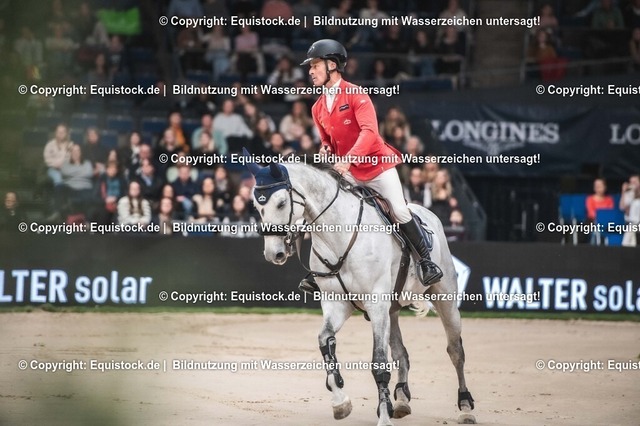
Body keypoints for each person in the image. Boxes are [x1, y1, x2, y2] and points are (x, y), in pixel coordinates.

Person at [298, 39, 442, 293]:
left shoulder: (356, 94)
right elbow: (327, 140)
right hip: (348, 171)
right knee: (326, 211)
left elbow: (369, 133)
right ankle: (320, 270)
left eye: (315, 65)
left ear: (332, 65)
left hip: (377, 167)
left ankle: (426, 262)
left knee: (399, 210)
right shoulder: (317, 107)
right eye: (310, 66)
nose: (310, 71)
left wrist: (348, 159)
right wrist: (326, 149)